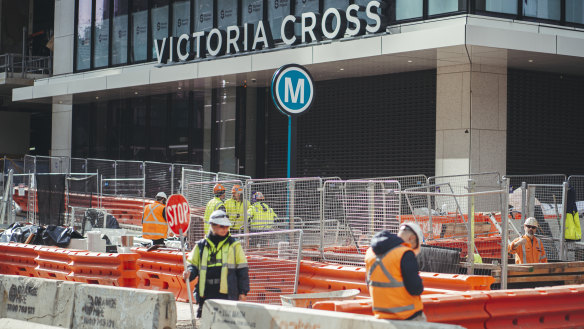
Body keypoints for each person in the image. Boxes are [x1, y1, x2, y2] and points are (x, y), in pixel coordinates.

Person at [183, 210, 250, 318]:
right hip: (206, 294)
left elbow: (243, 270)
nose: (225, 229)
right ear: (212, 226)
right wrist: (189, 273)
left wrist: (243, 292)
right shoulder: (201, 245)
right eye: (221, 226)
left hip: (227, 295)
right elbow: (192, 264)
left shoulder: (234, 245)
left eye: (226, 227)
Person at [364, 222, 425, 321]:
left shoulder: (370, 252)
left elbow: (368, 283)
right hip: (408, 315)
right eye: (414, 246)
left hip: (381, 315)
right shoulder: (404, 253)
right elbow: (415, 288)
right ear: (412, 238)